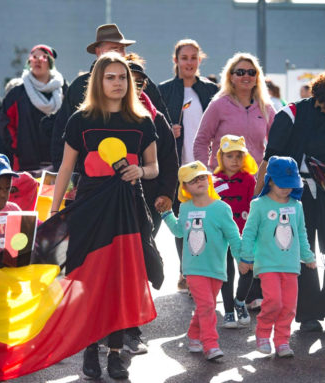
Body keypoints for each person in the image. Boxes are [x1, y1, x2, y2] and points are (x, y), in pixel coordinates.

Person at [51, 52, 159, 380]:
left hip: (127, 211)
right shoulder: (80, 120)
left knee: (120, 281)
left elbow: (155, 167)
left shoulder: (142, 121)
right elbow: (66, 170)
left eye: (122, 77)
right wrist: (54, 213)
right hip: (88, 209)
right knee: (88, 280)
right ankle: (88, 348)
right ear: (98, 81)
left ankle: (114, 353)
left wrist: (140, 169)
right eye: (110, 77)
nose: (117, 83)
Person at [254, 70, 325, 332]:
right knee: (302, 251)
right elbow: (270, 159)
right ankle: (308, 313)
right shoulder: (291, 114)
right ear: (324, 98)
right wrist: (257, 201)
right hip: (293, 192)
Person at [51, 23, 169, 171]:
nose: (119, 53)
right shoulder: (79, 86)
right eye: (114, 49)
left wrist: (163, 189)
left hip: (137, 175)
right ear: (98, 51)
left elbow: (165, 135)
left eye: (122, 49)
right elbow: (62, 133)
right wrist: (66, 177)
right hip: (89, 177)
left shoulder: (142, 80)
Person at [122, 54, 178, 354]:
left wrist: (167, 194)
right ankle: (106, 328)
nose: (135, 84)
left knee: (137, 264)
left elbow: (169, 159)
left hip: (147, 202)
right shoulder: (102, 115)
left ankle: (131, 328)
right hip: (109, 202)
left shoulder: (155, 118)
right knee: (109, 265)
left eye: (141, 80)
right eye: (129, 78)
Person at [161, 161, 241, 360]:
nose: (199, 181)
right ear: (185, 186)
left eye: (202, 177)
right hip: (193, 268)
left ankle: (193, 335)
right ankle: (211, 344)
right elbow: (179, 230)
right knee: (206, 305)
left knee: (206, 306)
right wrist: (166, 214)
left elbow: (234, 237)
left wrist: (243, 260)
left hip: (216, 268)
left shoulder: (222, 208)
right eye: (193, 179)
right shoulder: (186, 208)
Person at [158, 39, 218, 292]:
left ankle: (207, 271)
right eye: (184, 58)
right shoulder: (164, 90)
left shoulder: (211, 90)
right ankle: (186, 271)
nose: (189, 62)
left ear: (200, 60)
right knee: (184, 222)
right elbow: (154, 127)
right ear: (176, 61)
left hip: (206, 167)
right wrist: (168, 130)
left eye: (194, 57)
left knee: (209, 220)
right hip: (178, 167)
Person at [241, 156, 316, 357]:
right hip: (267, 264)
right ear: (270, 180)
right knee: (273, 301)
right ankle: (263, 333)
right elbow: (249, 233)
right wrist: (246, 258)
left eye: (291, 185)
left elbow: (301, 233)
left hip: (291, 265)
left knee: (290, 305)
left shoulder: (297, 206)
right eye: (282, 184)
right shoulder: (259, 205)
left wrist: (308, 256)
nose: (286, 189)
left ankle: (282, 340)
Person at [194, 52, 276, 171]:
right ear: (231, 77)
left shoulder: (266, 108)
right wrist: (206, 173)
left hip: (255, 182)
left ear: (257, 77)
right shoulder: (218, 105)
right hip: (223, 182)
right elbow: (201, 141)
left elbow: (278, 143)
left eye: (252, 72)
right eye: (240, 72)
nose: (246, 76)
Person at [0, 44, 67, 171]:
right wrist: (19, 147)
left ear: (51, 63)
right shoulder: (17, 94)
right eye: (34, 57)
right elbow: (6, 124)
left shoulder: (64, 91)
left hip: (59, 160)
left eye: (43, 57)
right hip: (27, 162)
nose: (38, 60)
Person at [213, 135, 258, 328]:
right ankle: (229, 310)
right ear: (221, 157)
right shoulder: (213, 180)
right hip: (222, 235)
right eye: (229, 156)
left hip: (244, 233)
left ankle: (240, 301)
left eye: (238, 156)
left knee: (247, 269)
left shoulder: (249, 180)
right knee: (226, 273)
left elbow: (254, 207)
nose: (234, 160)